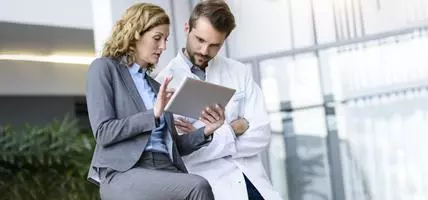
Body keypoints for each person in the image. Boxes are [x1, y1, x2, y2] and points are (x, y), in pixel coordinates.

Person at [86, 3, 225, 200]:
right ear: (135, 33)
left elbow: (175, 146)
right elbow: (103, 133)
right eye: (157, 38)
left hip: (166, 168)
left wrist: (208, 130)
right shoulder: (104, 69)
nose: (163, 47)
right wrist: (153, 114)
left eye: (166, 39)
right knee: (198, 186)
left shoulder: (155, 85)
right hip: (125, 172)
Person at [156, 1, 283, 200]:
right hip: (215, 190)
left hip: (255, 185)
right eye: (200, 40)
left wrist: (204, 138)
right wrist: (234, 129)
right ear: (187, 28)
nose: (205, 50)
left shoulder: (238, 72)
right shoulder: (164, 84)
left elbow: (261, 133)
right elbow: (183, 154)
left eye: (215, 45)